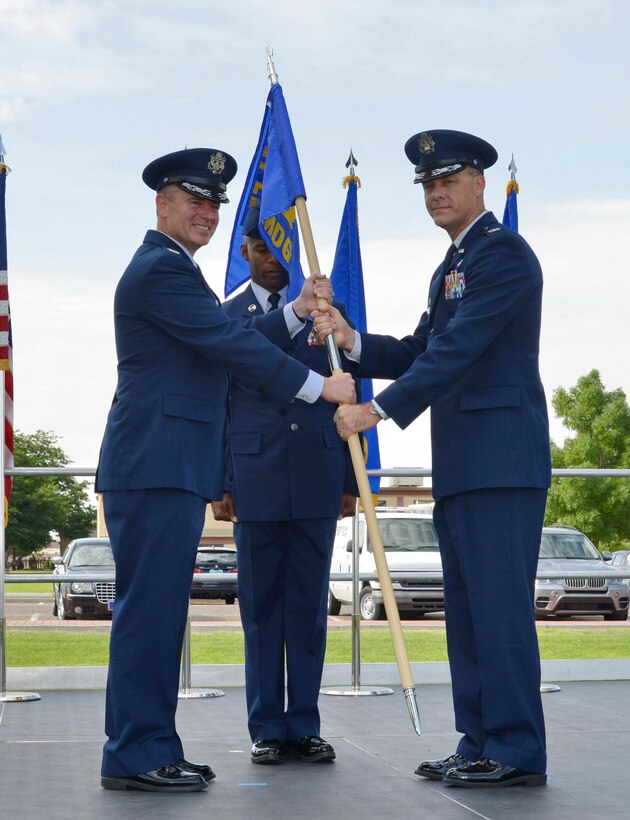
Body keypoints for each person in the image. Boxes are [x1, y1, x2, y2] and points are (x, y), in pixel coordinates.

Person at [95, 148, 355, 794]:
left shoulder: (174, 271)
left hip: (170, 463)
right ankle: (135, 751)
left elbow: (228, 337)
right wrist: (315, 388)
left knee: (158, 614)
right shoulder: (161, 271)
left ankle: (151, 744)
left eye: (213, 203)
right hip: (157, 461)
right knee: (149, 615)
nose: (206, 212)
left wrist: (295, 312)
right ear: (161, 203)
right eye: (193, 200)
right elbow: (230, 345)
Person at [314, 130, 551, 789]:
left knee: (499, 610)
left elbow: (461, 350)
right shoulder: (453, 266)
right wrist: (351, 340)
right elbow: (423, 350)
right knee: (472, 611)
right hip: (466, 463)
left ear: (480, 183)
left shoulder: (502, 256)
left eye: (449, 179)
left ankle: (516, 749)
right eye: (426, 183)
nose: (436, 191)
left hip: (501, 462)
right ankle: (479, 739)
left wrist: (376, 411)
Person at [211, 201, 358, 766]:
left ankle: (305, 725)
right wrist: (221, 481)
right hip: (255, 477)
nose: (272, 259)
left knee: (307, 608)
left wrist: (348, 477)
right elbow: (225, 400)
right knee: (263, 610)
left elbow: (347, 391)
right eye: (261, 248)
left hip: (318, 474)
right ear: (245, 252)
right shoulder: (227, 317)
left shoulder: (327, 315)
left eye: (281, 249)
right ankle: (268, 726)